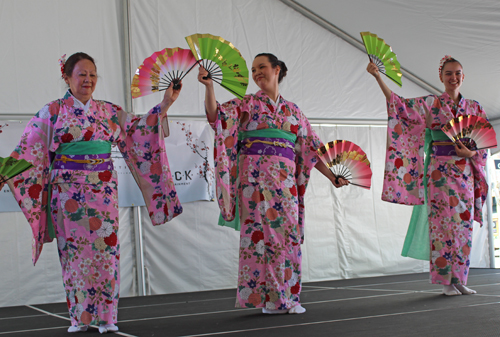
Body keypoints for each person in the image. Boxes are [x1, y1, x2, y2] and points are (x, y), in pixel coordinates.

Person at [0, 52, 183, 333]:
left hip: (103, 191)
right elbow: (28, 149)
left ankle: (107, 317)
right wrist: (7, 172)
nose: (88, 80)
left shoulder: (109, 111)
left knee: (106, 250)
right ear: (67, 77)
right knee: (74, 254)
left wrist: (166, 102)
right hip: (68, 193)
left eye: (92, 75)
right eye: (81, 74)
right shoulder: (52, 111)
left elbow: (138, 130)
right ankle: (79, 318)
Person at [198, 53, 348, 314]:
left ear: (277, 69)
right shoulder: (246, 104)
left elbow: (311, 151)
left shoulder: (294, 112)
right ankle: (266, 299)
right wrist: (210, 87)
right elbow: (217, 118)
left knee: (287, 238)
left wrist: (332, 176)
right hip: (253, 184)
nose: (257, 73)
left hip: (285, 184)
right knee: (257, 239)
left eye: (262, 67)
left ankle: (288, 298)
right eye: (254, 69)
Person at [366, 56, 488, 296]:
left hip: (464, 172)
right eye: (449, 73)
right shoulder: (431, 104)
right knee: (442, 225)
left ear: (463, 76)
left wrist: (472, 152)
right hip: (439, 174)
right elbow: (398, 106)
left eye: (458, 73)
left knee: (462, 227)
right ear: (441, 77)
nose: (454, 77)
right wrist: (378, 77)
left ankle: (460, 278)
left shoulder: (474, 108)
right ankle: (446, 282)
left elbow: (483, 142)